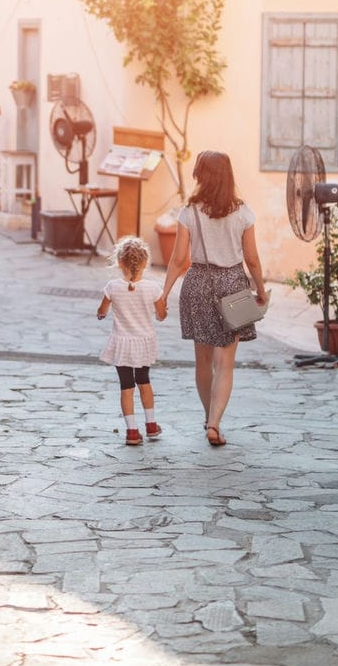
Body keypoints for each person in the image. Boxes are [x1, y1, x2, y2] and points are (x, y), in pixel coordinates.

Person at [156, 151, 268, 447]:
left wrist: (165, 293)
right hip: (233, 284)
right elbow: (252, 259)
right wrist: (261, 289)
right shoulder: (243, 212)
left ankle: (208, 418)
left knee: (203, 360)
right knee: (226, 362)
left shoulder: (189, 211)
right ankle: (216, 423)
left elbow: (179, 260)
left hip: (198, 284)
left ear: (199, 175)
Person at [97, 236, 167, 446]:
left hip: (122, 344)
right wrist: (161, 312)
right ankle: (152, 425)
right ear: (145, 263)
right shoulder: (153, 288)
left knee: (126, 387)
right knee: (144, 382)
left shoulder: (112, 287)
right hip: (143, 343)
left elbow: (102, 311)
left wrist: (101, 314)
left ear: (119, 263)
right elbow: (161, 315)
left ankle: (132, 431)